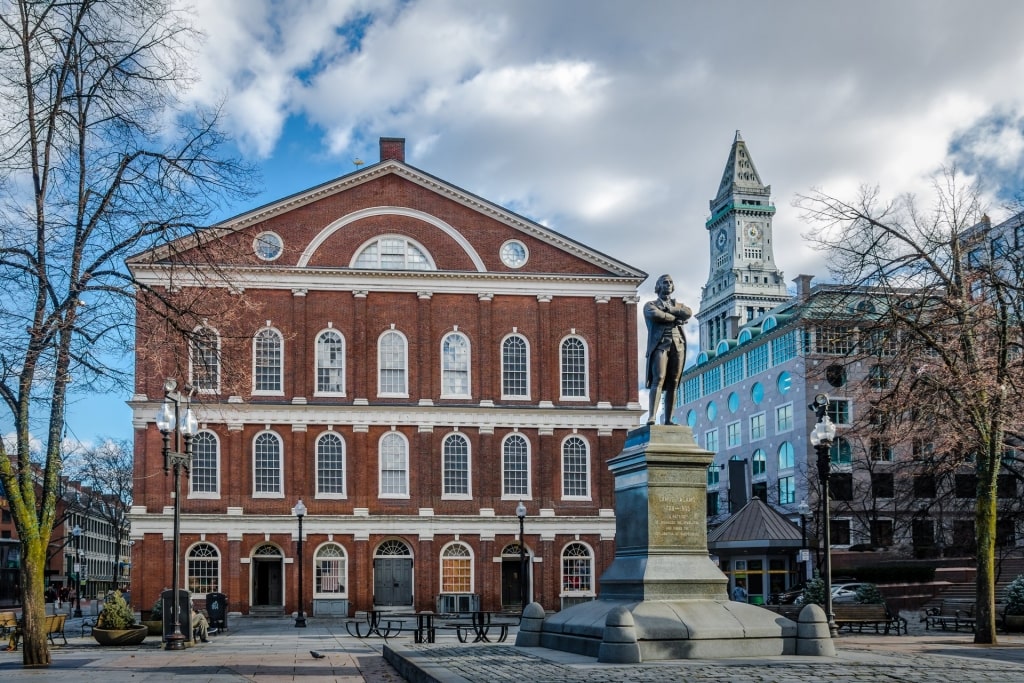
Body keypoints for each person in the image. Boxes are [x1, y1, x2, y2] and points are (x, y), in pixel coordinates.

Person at [644, 274, 692, 425]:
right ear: (658, 286)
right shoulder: (650, 304)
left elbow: (688, 313)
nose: (669, 284)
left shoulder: (678, 305)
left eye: (671, 282)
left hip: (678, 344)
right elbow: (655, 315)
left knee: (674, 381)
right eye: (665, 282)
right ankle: (652, 417)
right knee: (658, 378)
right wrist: (673, 317)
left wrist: (671, 309)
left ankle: (668, 419)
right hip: (660, 345)